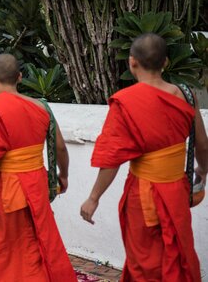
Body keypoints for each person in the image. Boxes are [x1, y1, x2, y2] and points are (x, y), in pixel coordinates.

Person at [80, 33, 208, 281]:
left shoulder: (126, 102)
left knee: (145, 263)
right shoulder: (186, 96)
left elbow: (112, 159)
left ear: (132, 62)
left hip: (144, 194)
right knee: (177, 255)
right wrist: (202, 172)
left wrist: (93, 198)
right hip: (177, 192)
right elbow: (202, 145)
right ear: (166, 63)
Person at [0, 54, 75, 281]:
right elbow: (59, 147)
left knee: (9, 247)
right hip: (36, 184)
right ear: (19, 77)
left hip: (7, 188)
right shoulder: (41, 107)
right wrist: (63, 175)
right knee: (39, 241)